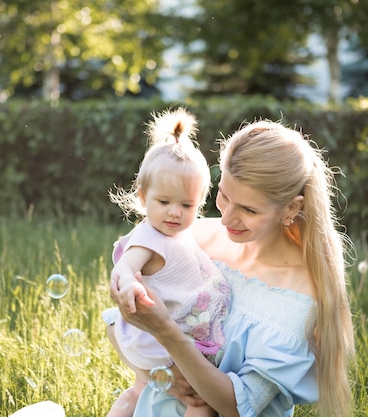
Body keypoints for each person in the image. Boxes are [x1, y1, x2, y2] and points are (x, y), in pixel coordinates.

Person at [109, 118, 356, 417]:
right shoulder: (192, 239)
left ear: (291, 208)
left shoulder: (297, 300)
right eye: (224, 197)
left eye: (249, 210)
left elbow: (237, 407)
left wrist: (166, 332)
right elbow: (116, 324)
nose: (226, 219)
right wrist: (156, 375)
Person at [105, 108, 230, 417]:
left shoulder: (176, 232)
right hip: (164, 340)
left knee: (139, 388)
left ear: (199, 202)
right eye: (164, 203)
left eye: (187, 204)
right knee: (201, 401)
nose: (175, 212)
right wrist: (125, 281)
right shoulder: (148, 237)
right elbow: (126, 264)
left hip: (166, 333)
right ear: (143, 196)